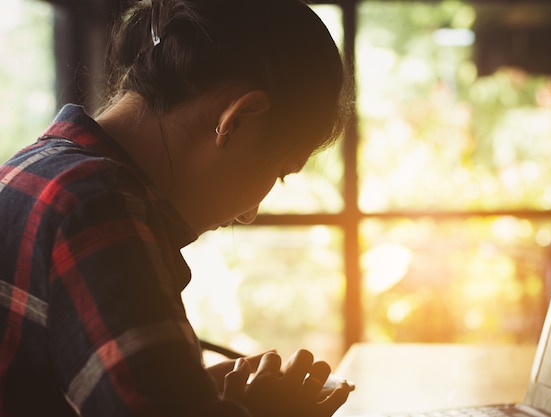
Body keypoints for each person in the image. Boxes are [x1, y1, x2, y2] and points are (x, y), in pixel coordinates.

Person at [0, 0, 351, 415]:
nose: (249, 213)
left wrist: (197, 389)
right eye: (278, 172)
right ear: (237, 120)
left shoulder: (31, 169)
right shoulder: (98, 210)